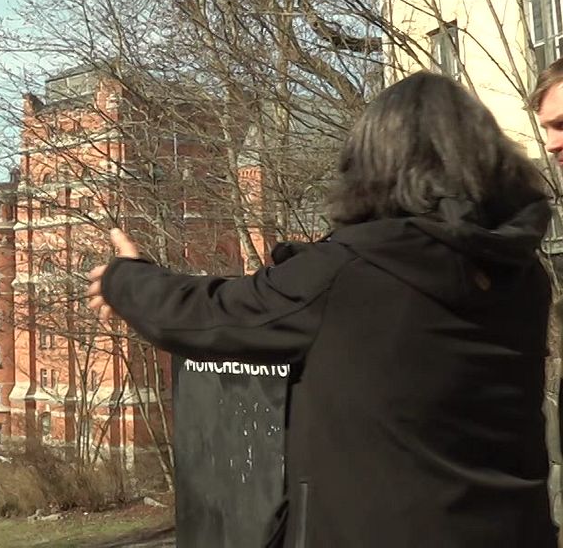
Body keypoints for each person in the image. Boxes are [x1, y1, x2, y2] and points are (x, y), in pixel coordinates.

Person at [87, 72, 557, 547]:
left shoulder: (349, 273)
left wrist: (124, 279)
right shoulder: (524, 276)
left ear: (374, 165)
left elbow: (211, 315)